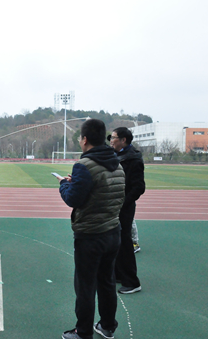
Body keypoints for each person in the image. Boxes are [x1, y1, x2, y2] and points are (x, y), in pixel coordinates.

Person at [55, 119, 125, 339]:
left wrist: (64, 184)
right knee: (107, 282)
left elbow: (72, 199)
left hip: (91, 236)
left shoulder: (84, 166)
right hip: (113, 231)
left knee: (85, 287)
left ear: (85, 140)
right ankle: (107, 326)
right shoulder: (117, 164)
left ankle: (83, 332)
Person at [109, 127, 145, 294]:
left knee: (125, 242)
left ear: (123, 140)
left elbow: (139, 187)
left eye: (114, 138)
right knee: (116, 240)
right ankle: (118, 274)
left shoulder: (133, 159)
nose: (111, 140)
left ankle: (132, 281)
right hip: (115, 204)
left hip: (124, 206)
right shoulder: (116, 156)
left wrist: (123, 203)